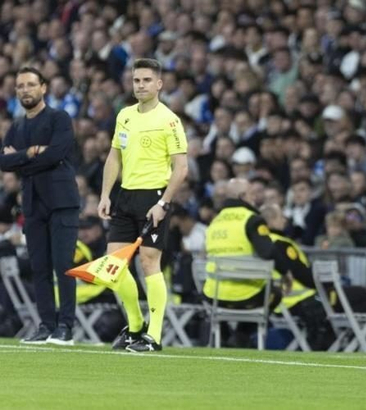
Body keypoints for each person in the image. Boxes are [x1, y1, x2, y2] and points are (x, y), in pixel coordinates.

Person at [98, 58, 189, 352]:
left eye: (147, 80)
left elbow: (181, 168)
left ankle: (155, 335)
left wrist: (163, 202)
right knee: (113, 265)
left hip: (154, 197)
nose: (140, 85)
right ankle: (135, 325)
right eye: (137, 80)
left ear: (159, 84)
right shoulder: (124, 115)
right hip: (125, 196)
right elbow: (114, 157)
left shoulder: (169, 120)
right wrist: (105, 194)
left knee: (149, 262)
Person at [0, 66, 80, 345]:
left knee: (63, 265)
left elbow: (56, 154)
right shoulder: (16, 126)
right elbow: (3, 161)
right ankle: (46, 325)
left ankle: (65, 327)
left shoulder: (59, 118)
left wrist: (20, 158)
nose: (25, 90)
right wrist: (33, 152)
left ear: (43, 88)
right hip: (33, 204)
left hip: (61, 202)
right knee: (39, 267)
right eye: (20, 86)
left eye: (30, 84)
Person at [203, 178, 287, 348]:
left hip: (215, 296)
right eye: (251, 194)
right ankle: (242, 335)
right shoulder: (253, 220)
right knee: (276, 293)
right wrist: (286, 272)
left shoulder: (214, 223)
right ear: (242, 196)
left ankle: (225, 335)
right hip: (248, 295)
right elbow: (268, 252)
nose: (255, 198)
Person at [260, 203, 335, 351]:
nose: (285, 220)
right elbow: (301, 274)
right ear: (271, 220)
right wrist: (326, 284)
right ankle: (341, 344)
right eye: (281, 217)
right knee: (358, 295)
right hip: (299, 301)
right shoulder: (281, 244)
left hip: (275, 302)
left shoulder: (261, 243)